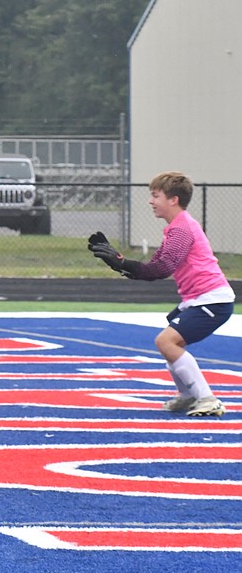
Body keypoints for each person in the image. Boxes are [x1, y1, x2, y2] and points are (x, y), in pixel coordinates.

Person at [88, 171, 235, 417]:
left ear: (173, 200)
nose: (151, 201)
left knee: (166, 342)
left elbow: (161, 268)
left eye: (155, 195)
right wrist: (121, 263)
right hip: (201, 299)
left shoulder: (181, 229)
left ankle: (207, 399)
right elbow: (153, 269)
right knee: (171, 342)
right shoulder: (177, 228)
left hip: (212, 299)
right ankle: (188, 395)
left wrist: (123, 264)